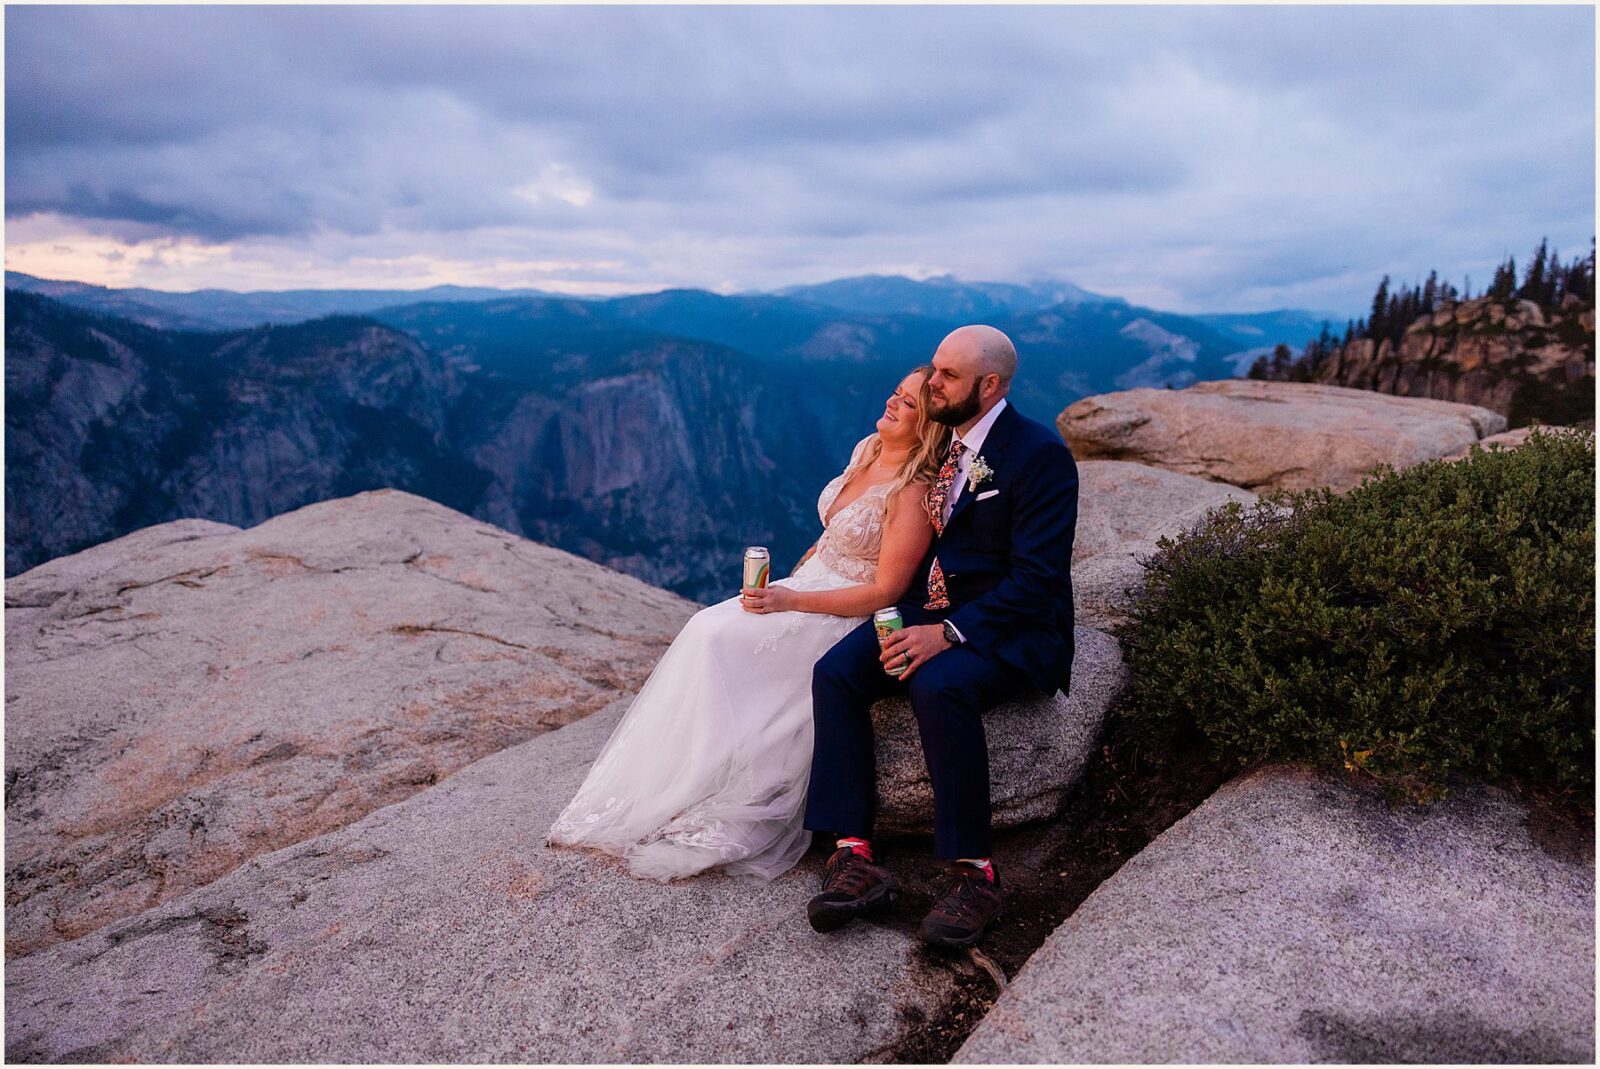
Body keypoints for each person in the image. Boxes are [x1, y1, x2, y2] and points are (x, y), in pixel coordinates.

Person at [546, 367, 951, 881]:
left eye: (909, 404)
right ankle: (683, 776)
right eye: (896, 392)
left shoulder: (913, 492)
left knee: (717, 637)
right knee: (705, 628)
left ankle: (713, 791)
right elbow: (831, 536)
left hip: (841, 612)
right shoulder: (868, 448)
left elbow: (885, 591)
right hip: (802, 585)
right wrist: (791, 581)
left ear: (930, 427)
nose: (893, 404)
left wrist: (792, 601)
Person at [802, 324, 1079, 949]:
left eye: (947, 376)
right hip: (929, 610)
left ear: (991, 385)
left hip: (1012, 629)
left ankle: (974, 872)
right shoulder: (942, 446)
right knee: (834, 674)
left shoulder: (1039, 456)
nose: (932, 384)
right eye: (933, 369)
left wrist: (948, 633)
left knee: (939, 684)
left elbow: (1037, 581)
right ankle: (853, 853)